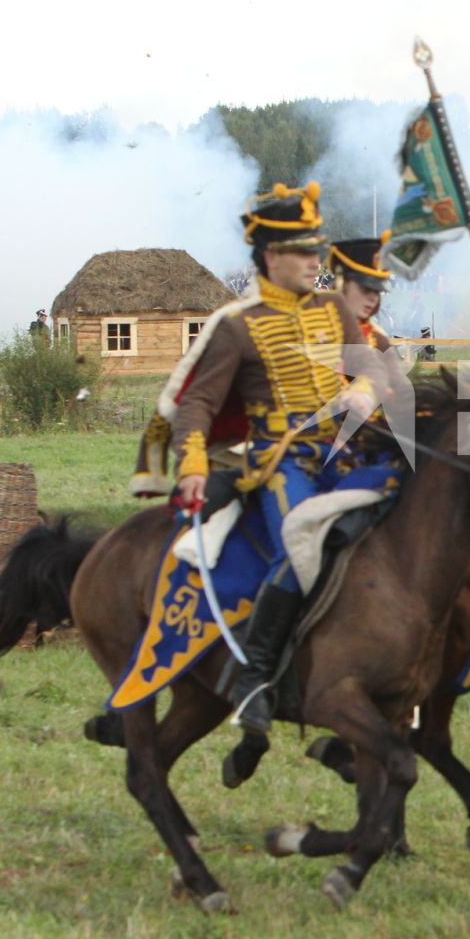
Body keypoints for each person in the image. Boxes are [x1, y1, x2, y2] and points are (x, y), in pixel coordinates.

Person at [167, 182, 380, 781]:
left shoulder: (334, 309)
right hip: (281, 460)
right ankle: (255, 676)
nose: (317, 261)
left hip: (345, 450)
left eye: (318, 250)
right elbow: (197, 407)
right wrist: (192, 464)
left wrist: (362, 391)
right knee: (300, 540)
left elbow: (368, 371)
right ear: (271, 257)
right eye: (304, 252)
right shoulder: (238, 327)